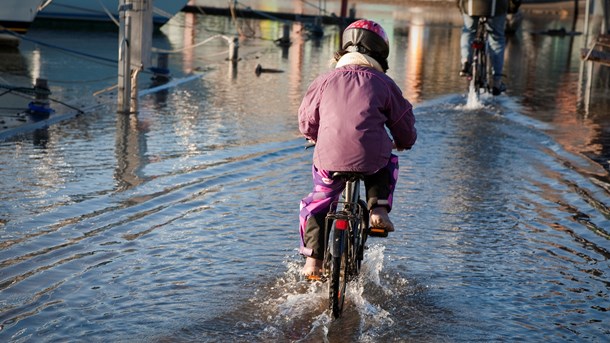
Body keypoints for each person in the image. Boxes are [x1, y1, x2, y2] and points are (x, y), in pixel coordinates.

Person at [297, 19, 417, 278]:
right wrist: (405, 142)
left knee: (319, 201)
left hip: (328, 158)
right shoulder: (384, 83)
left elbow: (306, 119)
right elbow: (403, 122)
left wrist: (312, 135)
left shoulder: (324, 80)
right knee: (385, 162)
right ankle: (378, 209)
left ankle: (313, 263)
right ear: (381, 53)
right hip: (371, 158)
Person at [457, 0, 520, 95]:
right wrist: (513, 7)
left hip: (470, 5)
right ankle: (496, 82)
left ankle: (465, 62)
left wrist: (460, 5)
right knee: (497, 39)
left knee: (469, 32)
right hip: (496, 7)